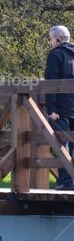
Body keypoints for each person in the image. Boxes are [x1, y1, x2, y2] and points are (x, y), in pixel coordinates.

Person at [44, 25, 74, 190]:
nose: (50, 42)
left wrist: (51, 109)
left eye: (50, 39)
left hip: (61, 109)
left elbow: (51, 82)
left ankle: (66, 182)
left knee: (62, 145)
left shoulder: (56, 54)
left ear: (58, 39)